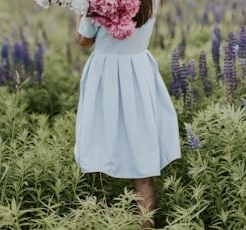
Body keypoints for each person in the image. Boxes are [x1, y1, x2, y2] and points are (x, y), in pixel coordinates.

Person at [75, 0, 181, 228]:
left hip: (105, 77)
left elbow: (84, 41)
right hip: (139, 73)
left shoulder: (100, 2)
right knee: (143, 168)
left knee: (97, 151)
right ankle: (147, 226)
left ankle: (98, 220)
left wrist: (80, 8)